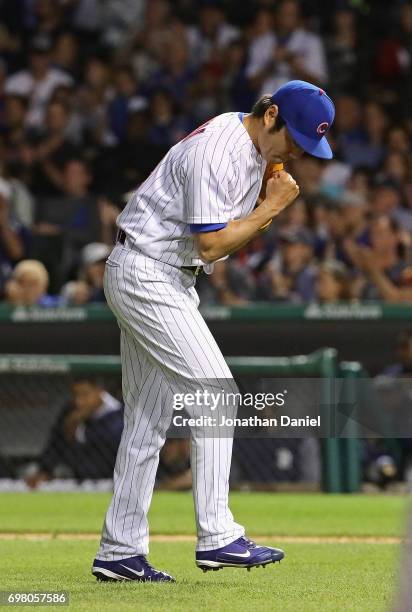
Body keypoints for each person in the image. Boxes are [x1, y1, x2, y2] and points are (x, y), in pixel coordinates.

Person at [91, 79, 335, 583]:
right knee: (217, 394)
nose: (297, 153)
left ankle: (119, 550)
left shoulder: (254, 154)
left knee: (146, 422)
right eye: (294, 139)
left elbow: (219, 240)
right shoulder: (218, 149)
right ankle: (218, 536)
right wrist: (270, 210)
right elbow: (211, 246)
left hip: (162, 274)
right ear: (269, 116)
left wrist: (264, 200)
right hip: (149, 272)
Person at [25, 376, 123, 488]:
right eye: (75, 395)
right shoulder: (70, 411)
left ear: (100, 391)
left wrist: (80, 429)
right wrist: (45, 470)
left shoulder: (120, 412)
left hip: (111, 481)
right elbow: (55, 445)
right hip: (75, 480)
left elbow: (107, 441)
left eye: (85, 394)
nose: (79, 401)